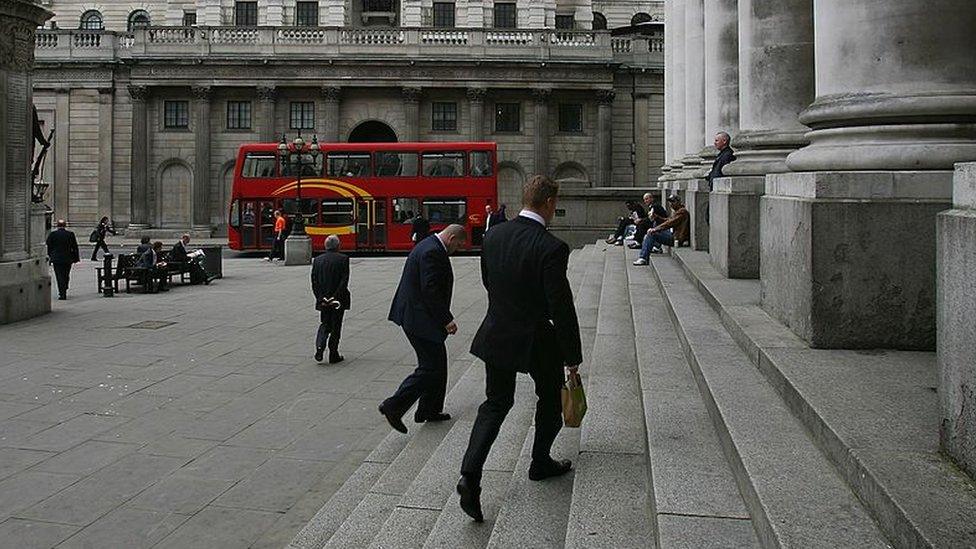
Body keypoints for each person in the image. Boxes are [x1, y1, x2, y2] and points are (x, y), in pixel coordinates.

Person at [457, 175, 583, 523]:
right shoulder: (552, 247)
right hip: (537, 337)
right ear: (549, 203)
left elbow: (487, 281)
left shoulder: (493, 234)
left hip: (497, 331)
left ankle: (470, 473)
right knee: (549, 399)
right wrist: (572, 357)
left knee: (495, 403)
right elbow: (561, 306)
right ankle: (540, 461)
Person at [379, 224, 467, 434]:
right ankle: (394, 405)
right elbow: (430, 290)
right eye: (459, 244)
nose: (459, 248)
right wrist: (446, 320)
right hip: (418, 318)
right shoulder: (432, 252)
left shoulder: (428, 245)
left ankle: (429, 410)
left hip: (416, 315)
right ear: (452, 237)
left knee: (437, 364)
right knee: (430, 368)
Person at [311, 235, 351, 364]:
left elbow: (314, 282)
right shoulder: (343, 259)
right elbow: (344, 281)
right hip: (338, 300)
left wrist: (321, 297)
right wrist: (335, 297)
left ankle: (319, 346)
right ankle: (334, 354)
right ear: (338, 246)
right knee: (336, 325)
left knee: (324, 323)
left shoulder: (317, 260)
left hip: (323, 299)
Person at [633, 194, 691, 265]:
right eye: (670, 202)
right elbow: (667, 220)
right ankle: (656, 247)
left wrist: (655, 229)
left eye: (673, 202)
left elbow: (669, 223)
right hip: (673, 234)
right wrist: (656, 217)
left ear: (678, 202)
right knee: (654, 225)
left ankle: (643, 257)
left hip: (676, 239)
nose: (671, 204)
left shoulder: (682, 212)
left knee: (651, 234)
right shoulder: (678, 211)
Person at [46, 219, 80, 300]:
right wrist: (76, 258)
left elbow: (48, 246)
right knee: (66, 274)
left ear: (57, 226)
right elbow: (75, 247)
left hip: (56, 258)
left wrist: (50, 256)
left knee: (59, 275)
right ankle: (65, 286)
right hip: (68, 258)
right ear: (65, 226)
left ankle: (62, 293)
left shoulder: (53, 234)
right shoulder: (70, 234)